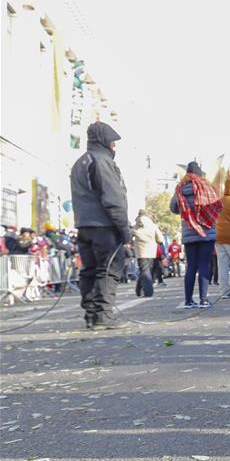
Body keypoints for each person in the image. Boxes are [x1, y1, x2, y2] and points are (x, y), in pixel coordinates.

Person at [69, 121, 131, 330]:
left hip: (84, 225)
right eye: (113, 141)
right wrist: (124, 229)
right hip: (104, 225)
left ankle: (91, 315)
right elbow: (113, 198)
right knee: (108, 269)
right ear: (104, 140)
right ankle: (103, 315)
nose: (114, 146)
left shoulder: (81, 162)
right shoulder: (102, 161)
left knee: (90, 270)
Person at [170, 161, 220, 308]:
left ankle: (188, 300)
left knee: (191, 266)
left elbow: (173, 208)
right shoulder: (207, 187)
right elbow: (216, 206)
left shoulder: (179, 189)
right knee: (204, 265)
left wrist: (186, 211)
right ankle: (204, 300)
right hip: (206, 231)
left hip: (189, 233)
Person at [132, 210, 164, 297]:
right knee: (147, 271)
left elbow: (128, 237)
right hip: (152, 251)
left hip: (141, 252)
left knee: (144, 271)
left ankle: (146, 291)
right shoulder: (153, 226)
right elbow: (160, 239)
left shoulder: (134, 227)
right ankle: (142, 291)